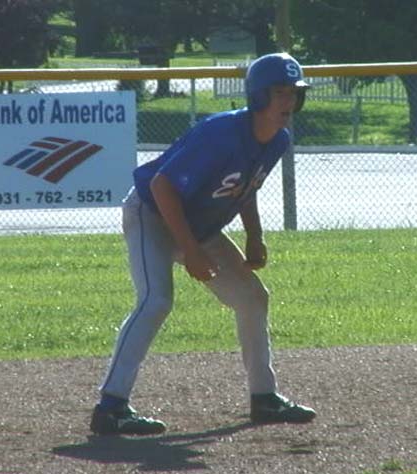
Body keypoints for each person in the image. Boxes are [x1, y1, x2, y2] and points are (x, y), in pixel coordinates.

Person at [90, 52, 316, 436]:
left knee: (252, 297)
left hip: (199, 227)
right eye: (280, 92)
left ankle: (264, 397)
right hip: (151, 213)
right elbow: (162, 186)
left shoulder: (278, 140)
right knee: (155, 300)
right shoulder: (221, 133)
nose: (288, 101)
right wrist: (191, 251)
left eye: (294, 93)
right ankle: (110, 408)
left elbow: (245, 187)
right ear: (258, 95)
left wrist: (254, 235)